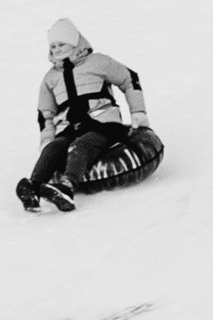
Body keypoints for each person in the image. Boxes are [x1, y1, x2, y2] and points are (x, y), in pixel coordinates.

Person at [18, 18, 164, 211]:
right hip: (69, 128)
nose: (56, 49)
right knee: (54, 148)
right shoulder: (50, 78)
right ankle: (34, 188)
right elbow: (45, 114)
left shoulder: (98, 62)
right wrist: (47, 138)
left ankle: (67, 188)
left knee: (81, 146)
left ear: (74, 43)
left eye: (61, 44)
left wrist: (138, 113)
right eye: (53, 46)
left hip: (103, 125)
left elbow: (130, 80)